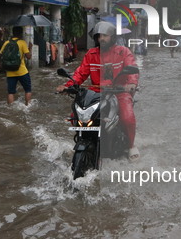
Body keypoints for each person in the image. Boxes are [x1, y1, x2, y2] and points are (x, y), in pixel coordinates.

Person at [56, 21, 140, 161]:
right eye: (99, 36)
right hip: (96, 92)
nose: (102, 38)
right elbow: (80, 73)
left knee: (127, 116)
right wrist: (67, 85)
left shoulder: (123, 52)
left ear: (112, 37)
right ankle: (82, 141)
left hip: (119, 91)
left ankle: (131, 145)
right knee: (76, 114)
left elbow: (132, 69)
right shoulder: (91, 54)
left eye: (105, 36)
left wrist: (131, 83)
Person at [0, 26, 32, 105]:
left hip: (10, 72)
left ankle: (11, 108)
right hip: (22, 72)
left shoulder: (7, 42)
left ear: (13, 33)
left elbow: (0, 55)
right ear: (21, 33)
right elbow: (29, 57)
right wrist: (30, 48)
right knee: (28, 90)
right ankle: (27, 106)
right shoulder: (22, 42)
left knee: (11, 92)